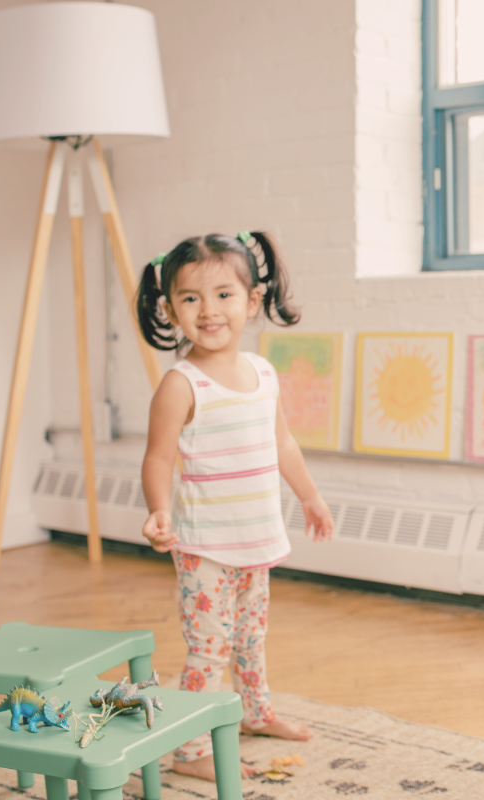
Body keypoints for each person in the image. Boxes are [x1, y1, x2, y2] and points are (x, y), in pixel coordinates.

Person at [135, 232, 335, 781]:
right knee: (209, 649)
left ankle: (255, 713)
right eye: (191, 298)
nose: (209, 310)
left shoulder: (263, 373)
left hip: (256, 541)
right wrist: (158, 511)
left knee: (250, 638)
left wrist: (310, 497)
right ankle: (191, 746)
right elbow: (157, 458)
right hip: (205, 549)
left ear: (251, 301)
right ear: (170, 308)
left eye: (224, 294)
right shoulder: (180, 384)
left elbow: (283, 444)